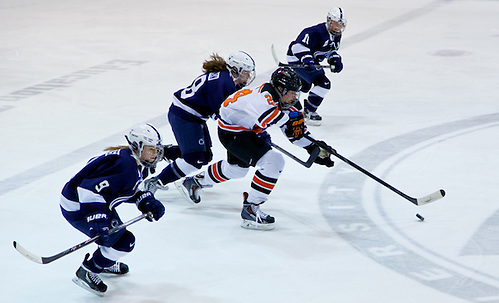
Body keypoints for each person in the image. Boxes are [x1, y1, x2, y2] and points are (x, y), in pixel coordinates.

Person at [182, 67, 335, 230]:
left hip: (244, 129)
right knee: (274, 162)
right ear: (281, 89)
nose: (295, 97)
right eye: (292, 92)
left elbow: (293, 132)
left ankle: (195, 182)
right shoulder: (264, 99)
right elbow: (277, 120)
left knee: (237, 170)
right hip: (233, 132)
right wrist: (299, 132)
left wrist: (313, 146)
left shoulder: (283, 100)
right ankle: (251, 209)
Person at [60, 123, 170, 296]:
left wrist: (146, 200)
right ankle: (88, 271)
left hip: (90, 201)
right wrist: (97, 219)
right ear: (137, 146)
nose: (155, 154)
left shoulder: (133, 160)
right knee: (124, 242)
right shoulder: (126, 167)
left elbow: (131, 187)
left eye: (156, 149)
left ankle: (105, 260)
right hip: (78, 206)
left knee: (114, 239)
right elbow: (88, 189)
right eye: (151, 149)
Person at [142, 51, 256, 195]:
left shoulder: (225, 79)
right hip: (184, 116)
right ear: (236, 70)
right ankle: (157, 181)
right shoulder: (222, 82)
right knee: (194, 159)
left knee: (204, 155)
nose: (249, 76)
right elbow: (223, 115)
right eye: (246, 72)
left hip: (192, 117)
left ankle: (161, 152)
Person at [286, 7, 347, 125]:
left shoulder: (337, 35)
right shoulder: (315, 32)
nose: (338, 28)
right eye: (335, 24)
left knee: (303, 86)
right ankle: (308, 111)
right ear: (329, 21)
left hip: (312, 62)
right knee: (323, 84)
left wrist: (335, 60)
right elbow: (297, 46)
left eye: (341, 25)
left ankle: (287, 104)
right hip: (297, 59)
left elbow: (330, 51)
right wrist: (307, 60)